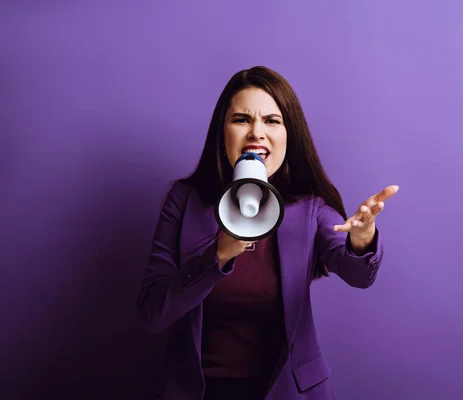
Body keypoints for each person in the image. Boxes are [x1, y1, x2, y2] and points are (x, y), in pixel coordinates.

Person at [136, 65, 398, 400]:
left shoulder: (310, 208)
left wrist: (362, 239)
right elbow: (153, 313)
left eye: (272, 121)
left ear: (289, 135)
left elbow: (358, 274)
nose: (256, 132)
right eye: (241, 119)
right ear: (222, 132)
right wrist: (215, 256)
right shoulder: (184, 202)